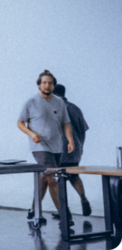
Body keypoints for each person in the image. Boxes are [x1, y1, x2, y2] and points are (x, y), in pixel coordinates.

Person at [17, 70, 74, 223]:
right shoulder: (31, 102)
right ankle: (64, 215)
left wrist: (70, 140)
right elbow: (20, 122)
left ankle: (33, 212)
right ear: (39, 85)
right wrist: (31, 134)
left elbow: (66, 122)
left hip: (57, 146)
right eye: (44, 82)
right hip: (40, 146)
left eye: (50, 83)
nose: (47, 85)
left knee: (44, 179)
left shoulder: (59, 102)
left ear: (53, 85)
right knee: (52, 177)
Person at [54, 83, 91, 217]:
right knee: (74, 176)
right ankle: (83, 198)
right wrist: (80, 147)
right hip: (75, 149)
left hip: (60, 150)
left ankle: (65, 211)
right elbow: (83, 130)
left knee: (58, 179)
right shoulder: (75, 108)